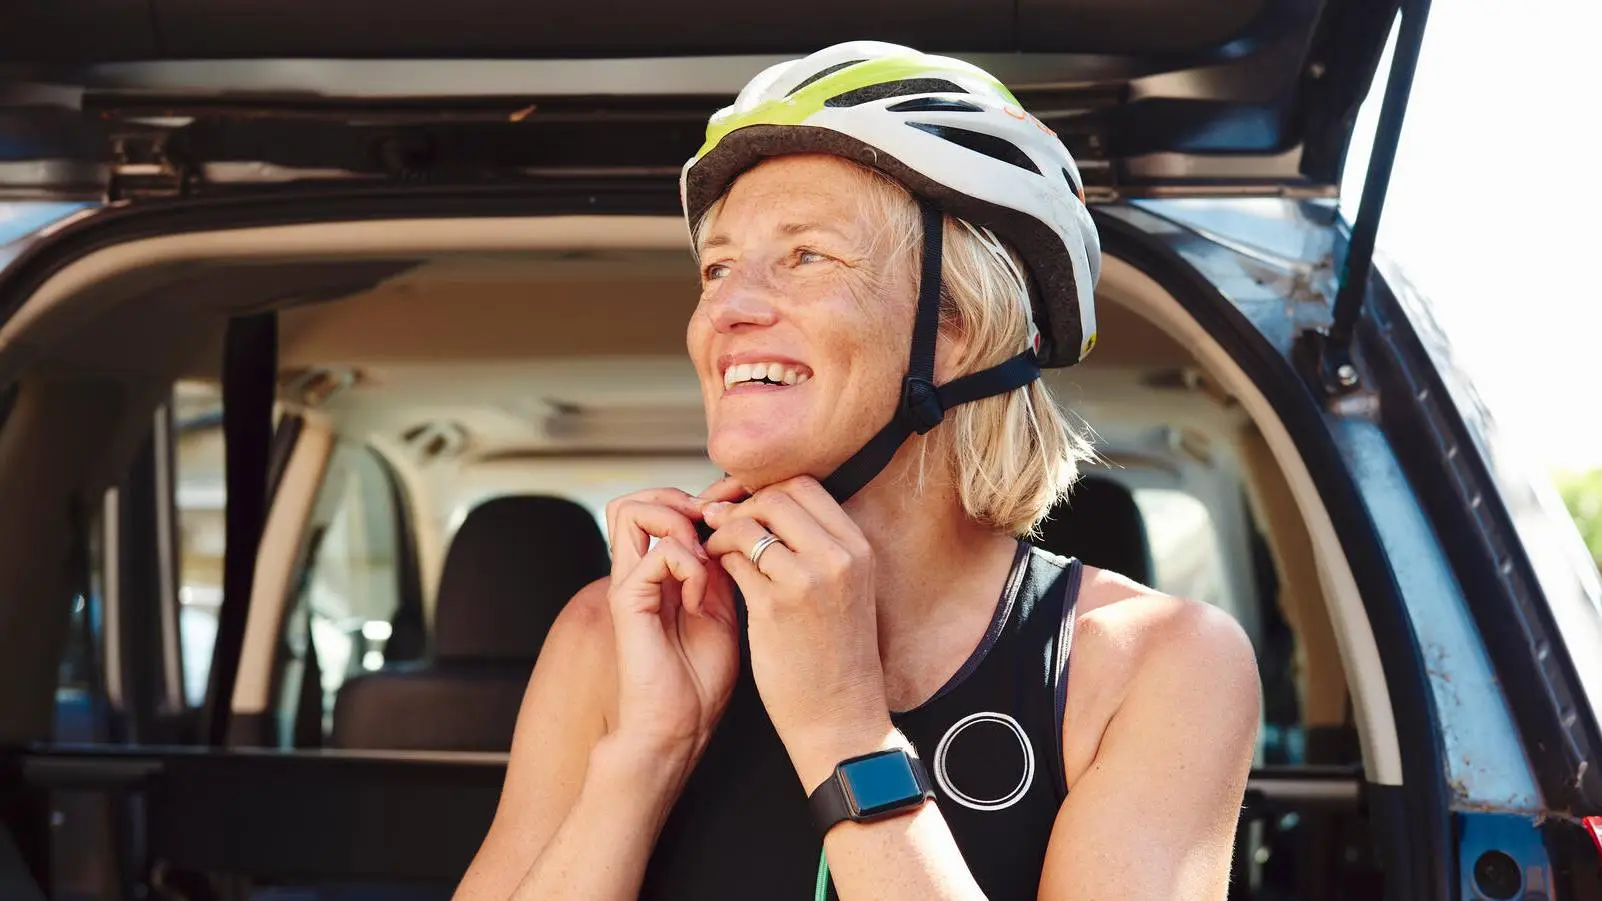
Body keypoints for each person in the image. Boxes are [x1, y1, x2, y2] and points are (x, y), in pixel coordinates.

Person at [454, 40, 1260, 901]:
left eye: (806, 256)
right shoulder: (616, 635)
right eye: (718, 266)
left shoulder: (1154, 664)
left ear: (964, 326)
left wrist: (844, 734)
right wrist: (648, 753)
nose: (724, 306)